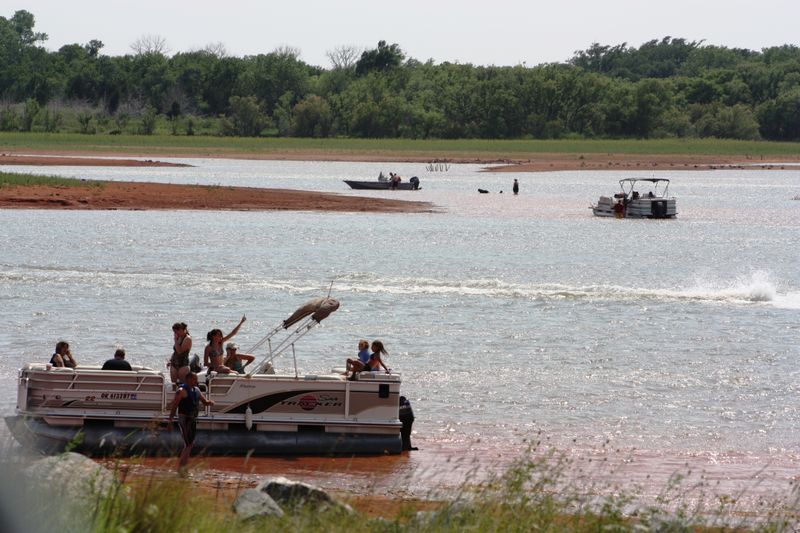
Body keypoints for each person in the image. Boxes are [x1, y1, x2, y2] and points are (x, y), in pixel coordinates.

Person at [167, 372, 214, 475]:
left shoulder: (196, 390)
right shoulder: (181, 391)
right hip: (184, 419)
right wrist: (170, 421)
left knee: (190, 444)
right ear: (188, 379)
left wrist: (209, 402)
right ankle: (182, 469)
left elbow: (204, 402)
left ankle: (183, 468)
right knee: (188, 444)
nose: (196, 381)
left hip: (193, 419)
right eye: (194, 379)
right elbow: (174, 406)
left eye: (196, 379)